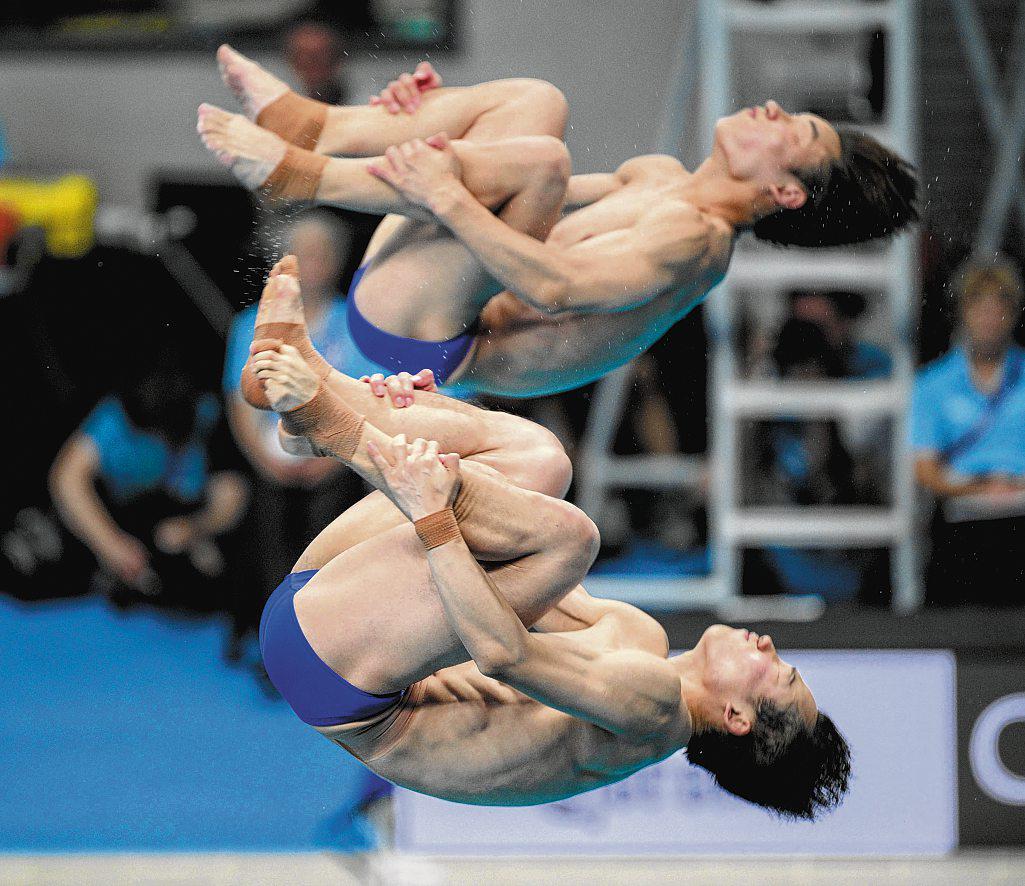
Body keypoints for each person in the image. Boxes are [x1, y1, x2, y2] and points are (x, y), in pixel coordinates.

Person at [238, 258, 850, 819]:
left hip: (342, 675)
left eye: (780, 674)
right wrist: (435, 428)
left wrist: (431, 511)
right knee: (539, 461)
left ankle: (330, 424)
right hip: (331, 620)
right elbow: (513, 569)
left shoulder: (655, 708)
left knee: (571, 538)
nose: (769, 646)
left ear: (737, 718)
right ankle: (314, 393)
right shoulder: (644, 645)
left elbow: (502, 652)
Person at [197, 47, 918, 398]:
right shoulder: (660, 178)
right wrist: (436, 118)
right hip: (420, 294)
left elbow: (554, 287)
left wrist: (443, 192)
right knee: (537, 106)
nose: (772, 111)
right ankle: (318, 125)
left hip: (425, 347)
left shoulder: (696, 242)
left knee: (540, 162)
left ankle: (304, 174)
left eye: (793, 132)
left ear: (786, 193)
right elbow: (496, 168)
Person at [223, 210, 365, 661]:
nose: (309, 264)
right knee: (267, 517)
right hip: (272, 454)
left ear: (338, 262)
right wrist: (265, 461)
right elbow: (239, 403)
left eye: (319, 255)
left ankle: (324, 641)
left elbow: (363, 402)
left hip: (337, 454)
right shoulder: (250, 324)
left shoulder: (357, 327)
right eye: (299, 254)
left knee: (330, 521)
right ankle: (274, 643)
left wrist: (329, 457)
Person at [49, 364, 248, 610]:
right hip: (122, 517)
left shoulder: (210, 415)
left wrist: (198, 528)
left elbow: (233, 494)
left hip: (184, 522)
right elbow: (67, 478)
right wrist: (112, 546)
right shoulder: (117, 415)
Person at [912, 254, 1025, 606]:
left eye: (998, 307)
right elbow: (924, 467)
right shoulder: (934, 384)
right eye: (980, 307)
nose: (989, 319)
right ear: (962, 312)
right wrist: (980, 487)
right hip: (963, 517)